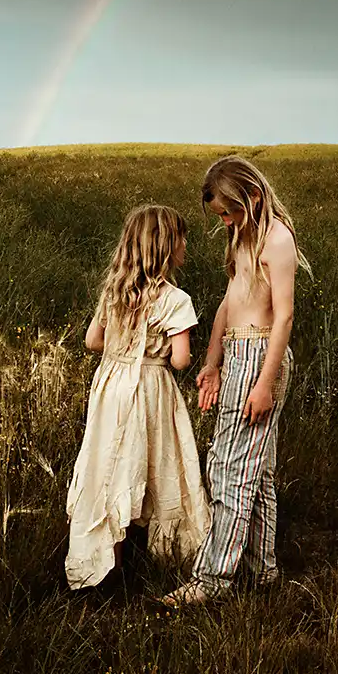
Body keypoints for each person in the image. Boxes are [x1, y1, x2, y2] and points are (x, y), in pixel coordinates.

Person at [161, 155, 310, 606]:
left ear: (254, 197)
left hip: (262, 355)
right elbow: (230, 301)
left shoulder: (276, 240)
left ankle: (211, 580)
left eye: (228, 211)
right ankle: (262, 571)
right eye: (220, 214)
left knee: (229, 471)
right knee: (256, 471)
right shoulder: (242, 236)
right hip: (238, 352)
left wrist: (264, 383)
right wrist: (212, 360)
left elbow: (283, 317)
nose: (224, 221)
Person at [65, 204, 211, 590]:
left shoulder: (114, 290)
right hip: (150, 391)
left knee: (110, 465)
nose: (185, 245)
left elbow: (92, 341)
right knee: (158, 464)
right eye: (181, 238)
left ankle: (106, 562)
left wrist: (120, 350)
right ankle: (167, 557)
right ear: (165, 247)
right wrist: (182, 353)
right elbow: (180, 361)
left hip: (112, 391)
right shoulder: (175, 299)